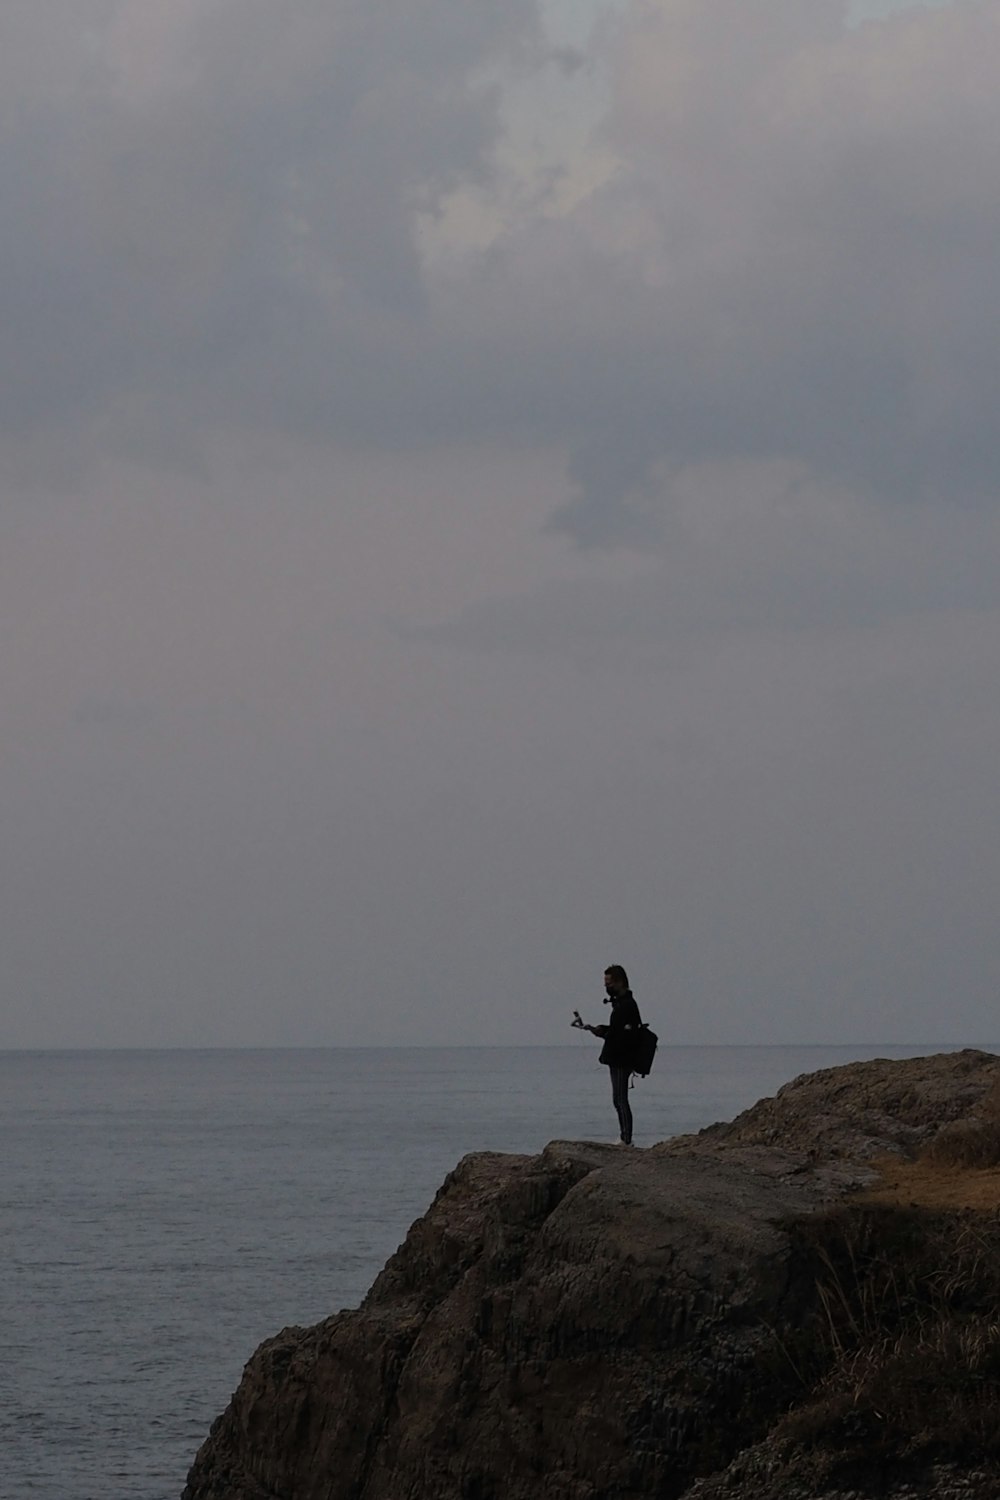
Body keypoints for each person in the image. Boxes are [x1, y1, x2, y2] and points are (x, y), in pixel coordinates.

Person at [571, 965, 643, 1145]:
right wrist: (601, 1030)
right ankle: (625, 1137)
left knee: (620, 1099)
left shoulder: (626, 1005)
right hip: (618, 1056)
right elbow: (617, 1030)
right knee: (618, 1099)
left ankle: (626, 1139)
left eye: (609, 983)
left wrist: (602, 1032)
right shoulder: (621, 1004)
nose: (606, 987)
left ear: (619, 982)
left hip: (621, 1058)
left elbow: (623, 1033)